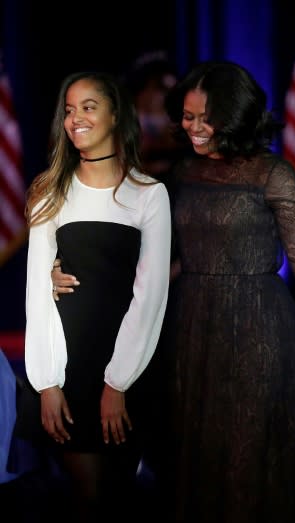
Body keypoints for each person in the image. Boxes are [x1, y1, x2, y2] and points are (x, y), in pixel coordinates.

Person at [50, 61, 295, 522]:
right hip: (190, 327)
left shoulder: (274, 174)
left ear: (235, 114)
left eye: (204, 118)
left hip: (259, 330)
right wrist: (58, 267)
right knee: (194, 458)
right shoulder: (182, 173)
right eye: (187, 117)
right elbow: (141, 253)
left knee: (249, 459)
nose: (192, 127)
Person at [23, 71, 171, 522]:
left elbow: (151, 296)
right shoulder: (51, 190)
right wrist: (47, 383)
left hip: (129, 370)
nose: (75, 119)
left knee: (119, 502)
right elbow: (36, 292)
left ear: (114, 115)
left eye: (88, 107)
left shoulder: (148, 195)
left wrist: (117, 384)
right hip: (66, 369)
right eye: (69, 110)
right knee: (86, 503)